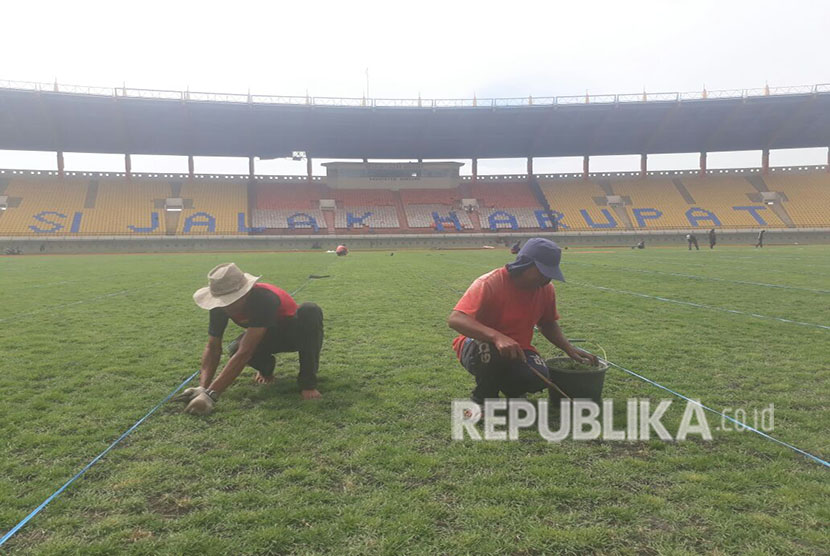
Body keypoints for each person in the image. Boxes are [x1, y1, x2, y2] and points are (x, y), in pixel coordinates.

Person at [447, 238, 598, 412]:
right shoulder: (489, 283)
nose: (546, 278)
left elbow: (547, 324)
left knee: (538, 376)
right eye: (542, 272)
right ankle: (481, 400)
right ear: (525, 263)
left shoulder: (546, 289)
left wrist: (569, 348)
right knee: (491, 353)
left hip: (519, 350)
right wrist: (497, 337)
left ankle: (512, 390)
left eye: (550, 273)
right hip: (477, 345)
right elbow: (456, 319)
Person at [176, 263, 324, 415]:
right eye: (223, 301)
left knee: (310, 310)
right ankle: (267, 370)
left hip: (295, 335)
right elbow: (213, 347)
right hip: (266, 334)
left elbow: (246, 352)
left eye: (231, 300)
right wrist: (203, 388)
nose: (227, 307)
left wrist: (211, 395)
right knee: (234, 348)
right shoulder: (219, 307)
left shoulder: (264, 298)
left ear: (245, 293)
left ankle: (308, 384)